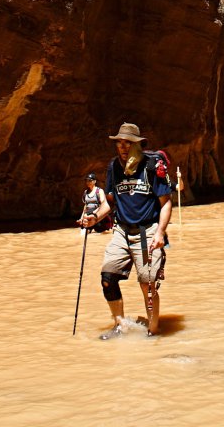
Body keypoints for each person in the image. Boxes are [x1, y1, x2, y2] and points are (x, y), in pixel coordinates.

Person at [82, 122, 172, 338]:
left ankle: (153, 332)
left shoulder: (151, 166)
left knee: (147, 285)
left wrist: (160, 233)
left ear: (137, 145)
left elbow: (166, 202)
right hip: (121, 231)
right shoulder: (114, 167)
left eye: (128, 143)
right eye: (119, 143)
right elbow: (109, 201)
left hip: (147, 231)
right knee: (107, 278)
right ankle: (120, 325)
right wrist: (94, 218)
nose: (122, 147)